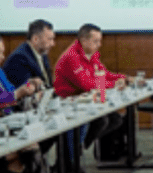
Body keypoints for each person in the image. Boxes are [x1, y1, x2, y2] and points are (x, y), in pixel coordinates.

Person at [53, 23, 126, 151]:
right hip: (68, 103)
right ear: (84, 40)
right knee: (102, 121)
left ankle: (80, 147)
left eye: (100, 41)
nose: (99, 45)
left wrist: (123, 78)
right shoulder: (72, 57)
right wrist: (114, 84)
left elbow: (104, 74)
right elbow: (86, 85)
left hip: (85, 100)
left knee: (116, 119)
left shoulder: (92, 54)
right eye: (96, 41)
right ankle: (75, 151)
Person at [0, 33, 38, 112]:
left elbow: (12, 91)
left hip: (10, 114)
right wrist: (16, 94)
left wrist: (27, 85)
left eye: (2, 53)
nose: (2, 57)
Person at [3, 19, 56, 90]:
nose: (53, 44)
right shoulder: (19, 58)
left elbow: (48, 84)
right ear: (35, 39)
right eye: (49, 39)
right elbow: (25, 90)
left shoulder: (42, 53)